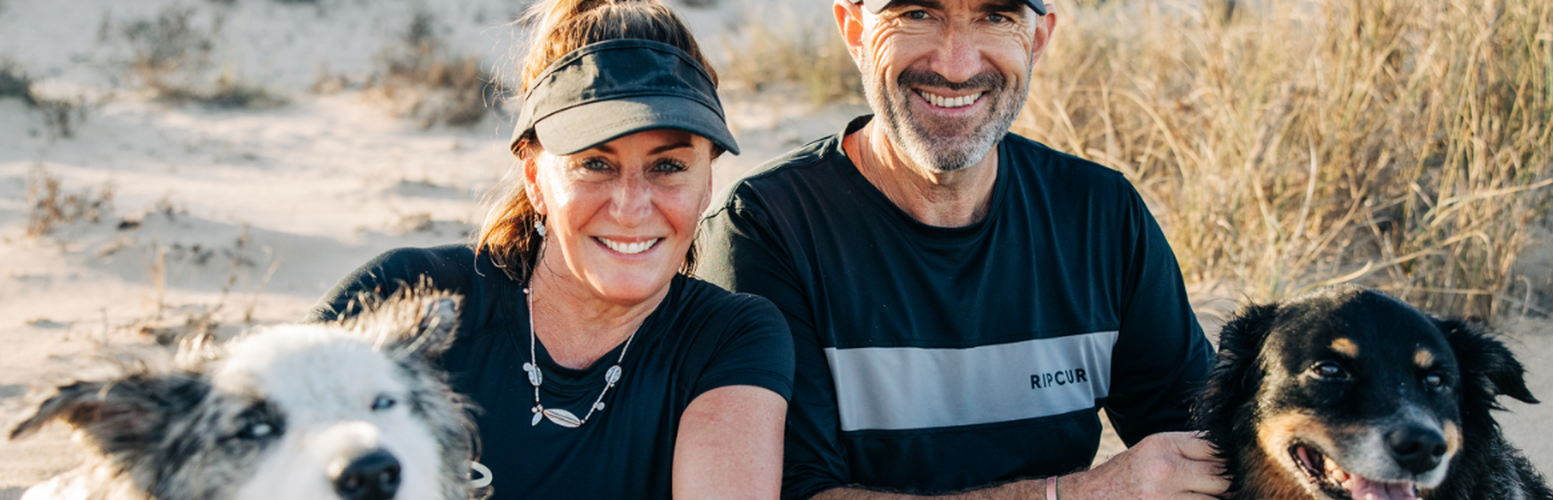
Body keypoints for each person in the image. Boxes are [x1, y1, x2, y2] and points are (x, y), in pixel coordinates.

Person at [696, 0, 1224, 498]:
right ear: (855, 30)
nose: (956, 65)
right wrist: (1074, 493)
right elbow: (791, 492)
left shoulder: (1100, 216)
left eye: (995, 16)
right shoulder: (767, 228)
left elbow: (1209, 443)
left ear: (1037, 40)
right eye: (918, 13)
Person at [308, 1, 793, 497]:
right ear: (536, 178)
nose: (630, 207)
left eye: (667, 166)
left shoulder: (730, 339)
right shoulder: (409, 300)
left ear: (707, 184)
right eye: (594, 164)